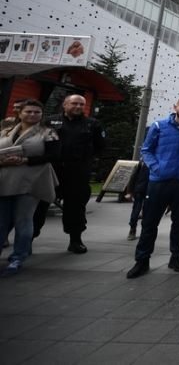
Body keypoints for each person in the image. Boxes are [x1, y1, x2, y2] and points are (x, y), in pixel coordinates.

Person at [127, 96, 179, 278]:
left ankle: (176, 257)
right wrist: (157, 168)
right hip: (159, 182)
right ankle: (142, 261)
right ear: (175, 107)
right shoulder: (159, 126)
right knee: (150, 223)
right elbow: (146, 150)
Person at [0, 100, 60, 276]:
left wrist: (26, 160)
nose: (32, 115)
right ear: (20, 113)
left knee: (23, 220)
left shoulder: (48, 133)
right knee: (2, 221)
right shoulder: (6, 131)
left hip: (32, 180)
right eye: (28, 111)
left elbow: (53, 155)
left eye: (37, 112)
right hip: (5, 179)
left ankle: (18, 257)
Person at [43, 94, 106, 253]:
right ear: (65, 104)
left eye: (81, 104)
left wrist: (87, 161)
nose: (78, 107)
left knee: (76, 208)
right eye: (74, 103)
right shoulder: (50, 121)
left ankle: (75, 240)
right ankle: (28, 239)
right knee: (40, 205)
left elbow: (100, 146)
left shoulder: (92, 124)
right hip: (51, 170)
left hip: (77, 172)